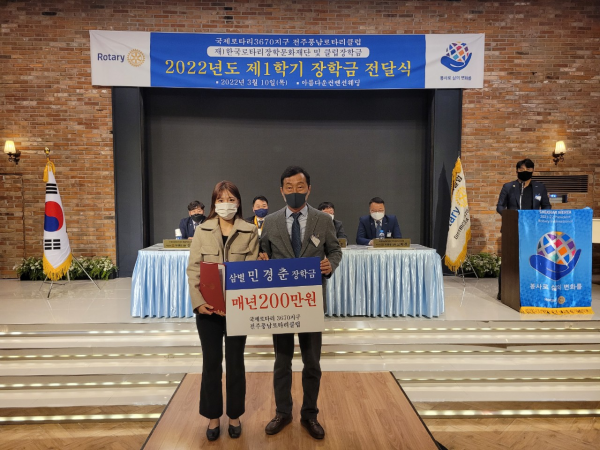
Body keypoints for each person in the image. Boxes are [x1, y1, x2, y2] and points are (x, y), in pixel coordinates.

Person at [259, 166, 342, 440]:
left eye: (300, 186)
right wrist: (261, 258)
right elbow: (263, 251)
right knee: (281, 362)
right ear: (281, 191)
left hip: (310, 301)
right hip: (280, 302)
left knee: (312, 362)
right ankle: (282, 412)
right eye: (289, 187)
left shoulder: (323, 220)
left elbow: (335, 250)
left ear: (309, 189)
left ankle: (310, 415)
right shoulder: (271, 221)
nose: (295, 191)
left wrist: (331, 265)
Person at [186, 181, 259, 441]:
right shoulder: (202, 230)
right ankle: (213, 416)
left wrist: (239, 302)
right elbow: (194, 269)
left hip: (238, 310)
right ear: (213, 203)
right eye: (220, 199)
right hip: (208, 310)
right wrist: (198, 302)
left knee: (236, 363)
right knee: (211, 363)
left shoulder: (250, 231)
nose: (225, 204)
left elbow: (251, 271)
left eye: (230, 199)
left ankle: (235, 415)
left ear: (238, 202)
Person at [496, 158, 551, 300]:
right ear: (517, 171)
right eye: (521, 169)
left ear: (533, 170)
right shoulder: (509, 187)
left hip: (533, 230)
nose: (524, 171)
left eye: (528, 169)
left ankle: (530, 290)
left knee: (532, 260)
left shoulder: (539, 187)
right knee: (509, 260)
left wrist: (543, 218)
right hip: (512, 229)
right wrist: (510, 216)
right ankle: (504, 291)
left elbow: (546, 205)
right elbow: (500, 206)